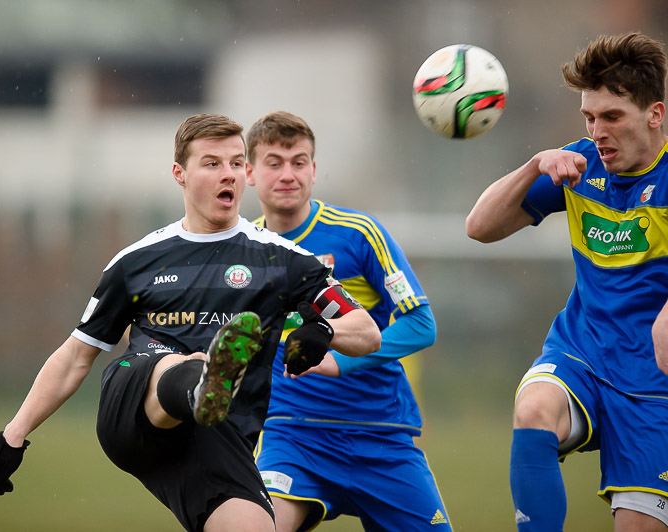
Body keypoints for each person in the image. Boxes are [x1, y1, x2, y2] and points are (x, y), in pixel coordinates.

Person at [0, 113, 381, 532]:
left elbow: (368, 333)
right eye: (213, 163)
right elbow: (76, 356)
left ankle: (207, 387)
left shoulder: (284, 262)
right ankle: (202, 381)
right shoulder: (136, 262)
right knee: (175, 363)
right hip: (134, 416)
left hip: (217, 439)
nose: (229, 175)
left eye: (237, 163)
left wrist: (325, 331)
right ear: (180, 174)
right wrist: (12, 435)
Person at [465, 32, 668, 531]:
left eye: (612, 117)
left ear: (655, 115)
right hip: (585, 353)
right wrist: (536, 164)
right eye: (589, 118)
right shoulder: (580, 166)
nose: (597, 131)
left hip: (654, 383)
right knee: (533, 409)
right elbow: (480, 227)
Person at [246, 111, 451, 531]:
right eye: (274, 163)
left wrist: (342, 360)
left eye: (299, 162)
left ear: (314, 170)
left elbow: (421, 323)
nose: (288, 174)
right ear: (249, 172)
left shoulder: (358, 234)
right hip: (293, 435)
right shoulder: (242, 249)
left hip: (380, 435)